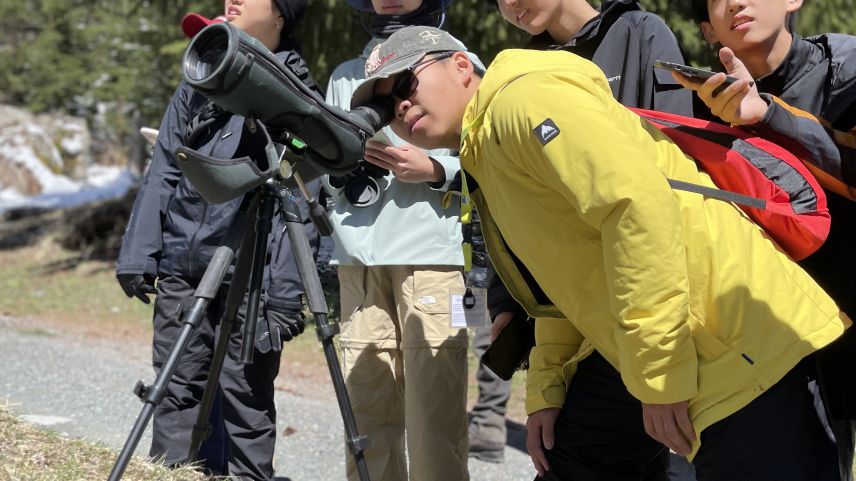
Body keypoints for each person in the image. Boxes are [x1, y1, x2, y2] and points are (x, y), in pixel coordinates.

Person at [350, 25, 851, 480]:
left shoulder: (523, 99)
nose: (400, 108)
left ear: (461, 67)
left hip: (740, 346)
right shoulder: (485, 148)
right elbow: (561, 282)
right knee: (572, 454)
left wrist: (658, 378)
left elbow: (637, 210)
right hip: (663, 343)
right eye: (384, 107)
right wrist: (548, 390)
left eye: (405, 85)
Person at [473, 0, 697, 468]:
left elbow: (673, 176)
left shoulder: (640, 33)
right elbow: (515, 206)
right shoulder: (522, 68)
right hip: (576, 313)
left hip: (661, 305)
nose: (509, 6)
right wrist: (507, 300)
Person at [115, 1, 321, 479]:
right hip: (184, 266)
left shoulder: (296, 93)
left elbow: (303, 198)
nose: (231, 1)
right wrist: (140, 251)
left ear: (280, 15)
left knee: (245, 396)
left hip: (253, 276)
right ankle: (173, 473)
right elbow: (165, 164)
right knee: (175, 386)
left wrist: (286, 295)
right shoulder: (199, 75)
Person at [673, 0, 856, 478]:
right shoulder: (693, 102)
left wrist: (766, 115)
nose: (733, 2)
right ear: (706, 30)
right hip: (769, 346)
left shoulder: (846, 68)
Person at [322, 1, 486, 480]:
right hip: (358, 262)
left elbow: (489, 148)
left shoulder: (452, 58)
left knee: (434, 415)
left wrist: (435, 169)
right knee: (366, 411)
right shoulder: (347, 75)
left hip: (432, 258)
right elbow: (327, 167)